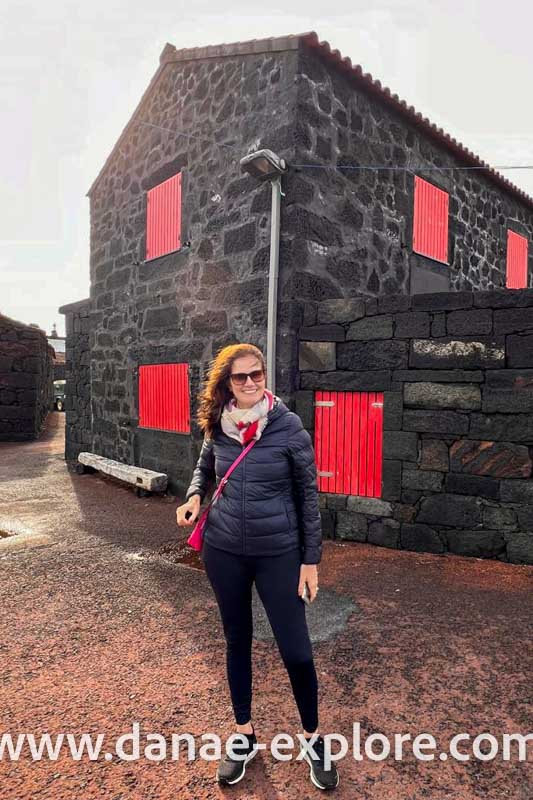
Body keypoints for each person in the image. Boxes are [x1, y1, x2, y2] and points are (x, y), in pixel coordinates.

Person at [176, 343, 339, 791]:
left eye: (257, 374)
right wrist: (194, 496)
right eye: (240, 377)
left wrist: (311, 561)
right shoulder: (218, 424)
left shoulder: (288, 428)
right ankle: (245, 736)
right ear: (227, 383)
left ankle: (312, 739)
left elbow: (308, 498)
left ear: (265, 376)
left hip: (279, 553)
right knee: (237, 641)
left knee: (297, 650)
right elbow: (204, 467)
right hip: (224, 550)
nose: (250, 383)